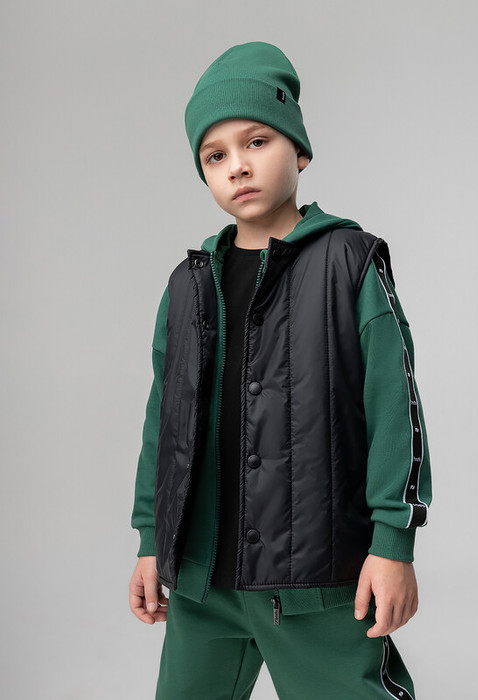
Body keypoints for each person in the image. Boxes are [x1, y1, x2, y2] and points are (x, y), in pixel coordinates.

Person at [129, 41, 432, 699]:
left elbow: (394, 408)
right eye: (215, 156)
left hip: (318, 580)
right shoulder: (186, 285)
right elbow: (164, 426)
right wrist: (151, 539)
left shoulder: (349, 262)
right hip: (204, 585)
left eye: (257, 141)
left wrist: (392, 544)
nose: (237, 165)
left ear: (299, 151)